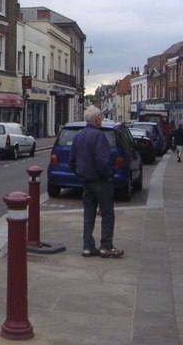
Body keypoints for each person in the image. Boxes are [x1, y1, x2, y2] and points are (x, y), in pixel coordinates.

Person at [68, 106, 124, 258]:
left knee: (89, 214)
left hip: (85, 181)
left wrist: (80, 174)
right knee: (107, 213)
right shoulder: (99, 136)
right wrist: (109, 175)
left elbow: (71, 161)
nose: (102, 119)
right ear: (96, 118)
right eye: (101, 117)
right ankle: (106, 246)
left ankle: (88, 246)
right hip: (100, 181)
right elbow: (102, 161)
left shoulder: (78, 136)